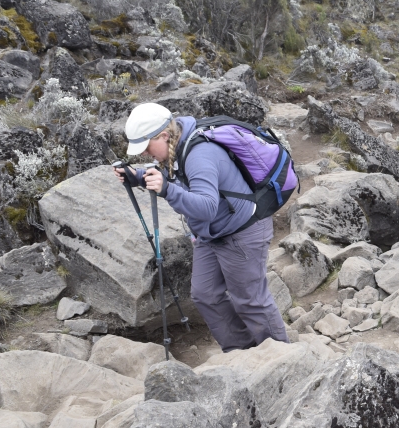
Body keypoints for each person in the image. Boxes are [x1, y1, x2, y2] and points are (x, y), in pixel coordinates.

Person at [114, 103, 289, 352]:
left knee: (250, 300)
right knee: (205, 294)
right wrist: (138, 176)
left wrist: (166, 190)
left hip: (242, 231)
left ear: (163, 135)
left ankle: (282, 357)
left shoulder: (199, 154)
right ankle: (243, 352)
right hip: (211, 232)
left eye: (145, 147)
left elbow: (206, 206)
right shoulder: (176, 147)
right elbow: (176, 179)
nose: (143, 154)